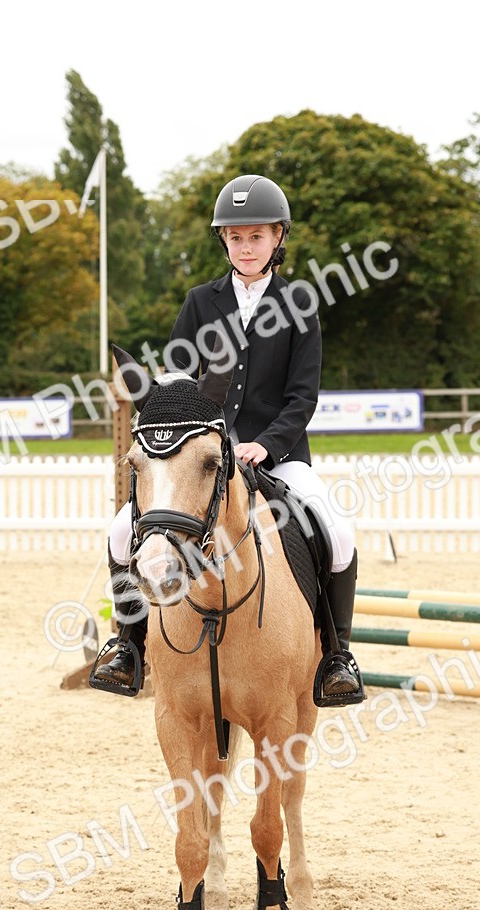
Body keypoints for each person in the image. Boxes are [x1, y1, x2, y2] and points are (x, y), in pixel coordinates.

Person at [91, 173, 364, 705]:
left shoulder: (300, 304)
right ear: (225, 241)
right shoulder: (200, 302)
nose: (245, 246)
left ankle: (336, 655)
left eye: (255, 236)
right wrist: (193, 441)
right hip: (201, 457)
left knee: (340, 533)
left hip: (276, 456)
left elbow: (302, 396)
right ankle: (127, 644)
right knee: (123, 529)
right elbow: (175, 385)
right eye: (235, 237)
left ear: (277, 238)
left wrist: (267, 445)